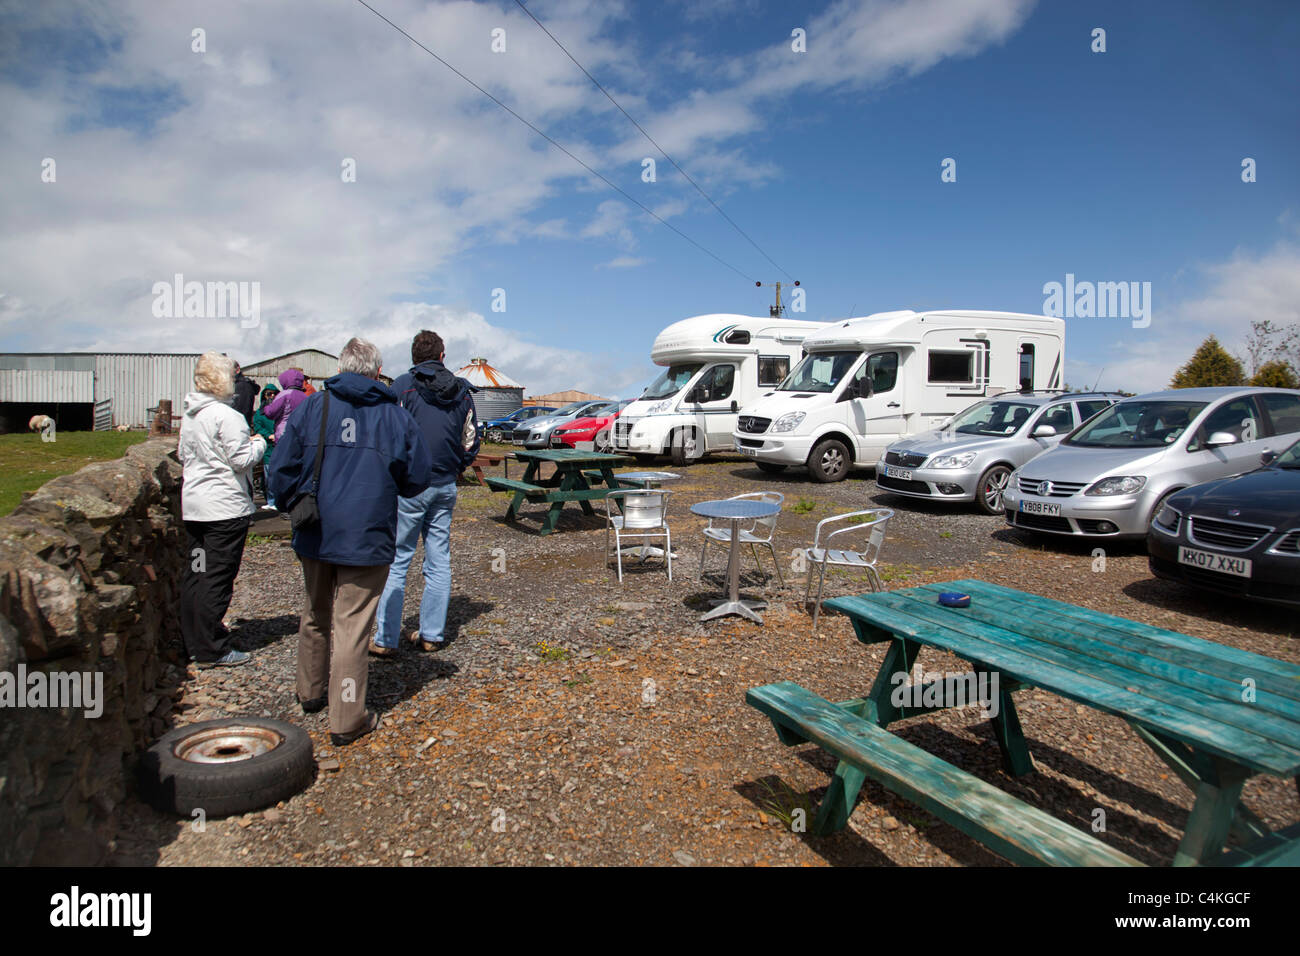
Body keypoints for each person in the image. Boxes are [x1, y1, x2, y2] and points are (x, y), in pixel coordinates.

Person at [268, 338, 432, 746]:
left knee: (314, 612)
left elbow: (281, 469)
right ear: (377, 372)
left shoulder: (312, 406)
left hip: (316, 529)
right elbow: (418, 477)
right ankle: (345, 718)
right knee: (353, 626)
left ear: (341, 368)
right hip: (367, 531)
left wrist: (294, 503)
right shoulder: (393, 417)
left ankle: (309, 692)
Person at [375, 331, 479, 655]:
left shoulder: (403, 387)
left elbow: (387, 433)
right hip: (445, 484)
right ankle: (432, 634)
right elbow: (471, 439)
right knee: (438, 559)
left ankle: (384, 638)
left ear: (413, 356)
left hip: (408, 486)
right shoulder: (462, 392)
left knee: (397, 558)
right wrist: (458, 466)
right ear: (442, 356)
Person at [178, 352, 268, 667]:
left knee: (196, 574)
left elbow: (181, 455)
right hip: (224, 510)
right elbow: (241, 459)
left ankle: (190, 641)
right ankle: (211, 648)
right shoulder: (226, 416)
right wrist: (260, 443)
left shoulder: (190, 414)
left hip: (195, 506)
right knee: (217, 577)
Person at [251, 382, 280, 506]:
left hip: (280, 446)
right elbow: (258, 427)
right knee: (268, 476)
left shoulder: (281, 410)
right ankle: (271, 500)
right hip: (268, 447)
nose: (272, 396)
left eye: (274, 394)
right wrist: (268, 435)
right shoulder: (260, 413)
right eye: (269, 394)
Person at [264, 368, 309, 443]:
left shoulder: (284, 395)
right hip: (301, 436)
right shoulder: (306, 397)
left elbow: (270, 413)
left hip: (284, 435)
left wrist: (269, 403)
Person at [231, 361, 259, 426]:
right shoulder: (235, 385)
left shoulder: (242, 387)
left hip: (237, 427)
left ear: (237, 370)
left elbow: (240, 411)